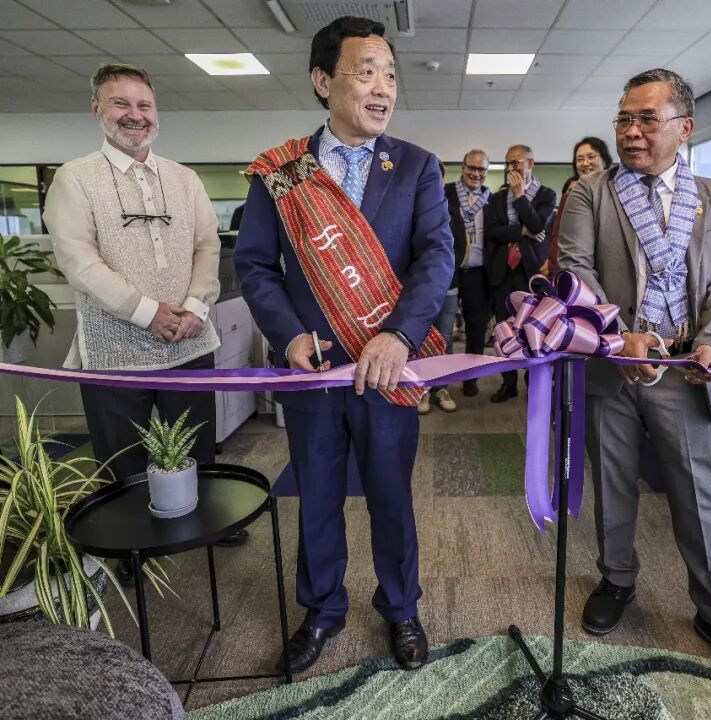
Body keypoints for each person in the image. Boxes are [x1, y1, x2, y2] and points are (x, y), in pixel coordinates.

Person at [234, 17, 454, 675]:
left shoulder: (416, 165)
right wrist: (289, 334)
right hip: (315, 370)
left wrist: (399, 334)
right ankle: (321, 609)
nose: (383, 88)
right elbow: (255, 266)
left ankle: (401, 606)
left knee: (392, 495)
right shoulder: (281, 173)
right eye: (366, 72)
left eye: (390, 75)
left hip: (388, 369)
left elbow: (436, 257)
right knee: (317, 496)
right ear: (323, 81)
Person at [558, 68, 711, 688]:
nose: (631, 131)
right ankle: (617, 579)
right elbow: (575, 269)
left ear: (684, 127)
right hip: (616, 365)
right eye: (624, 119)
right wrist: (617, 334)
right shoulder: (591, 193)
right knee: (613, 483)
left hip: (686, 366)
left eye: (647, 119)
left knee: (698, 494)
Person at [42, 63, 247, 575]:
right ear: (97, 109)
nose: (135, 115)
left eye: (144, 105)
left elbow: (207, 247)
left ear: (156, 112)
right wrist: (147, 312)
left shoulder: (184, 178)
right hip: (113, 350)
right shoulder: (74, 178)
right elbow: (78, 261)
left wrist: (196, 307)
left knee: (196, 444)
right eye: (121, 103)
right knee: (121, 457)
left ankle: (205, 519)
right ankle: (131, 544)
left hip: (189, 342)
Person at [483, 144, 556, 402]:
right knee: (504, 329)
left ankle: (532, 382)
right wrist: (521, 232)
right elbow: (492, 231)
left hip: (532, 272)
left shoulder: (547, 195)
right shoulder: (496, 198)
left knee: (533, 329)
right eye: (507, 164)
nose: (510, 169)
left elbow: (538, 225)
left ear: (530, 164)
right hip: (503, 271)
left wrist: (520, 195)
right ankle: (508, 382)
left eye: (515, 163)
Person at [441, 149, 492, 399]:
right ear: (463, 167)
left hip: (478, 273)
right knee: (443, 329)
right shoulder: (446, 193)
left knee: (476, 328)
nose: (476, 173)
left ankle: (471, 378)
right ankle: (441, 382)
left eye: (482, 169)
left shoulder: (491, 199)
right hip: (449, 270)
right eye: (472, 167)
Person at [419, 159, 458, 414]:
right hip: (418, 287)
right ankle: (421, 388)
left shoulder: (451, 207)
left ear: (442, 181)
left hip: (448, 286)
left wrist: (446, 273)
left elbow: (460, 245)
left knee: (444, 337)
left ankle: (442, 387)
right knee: (419, 337)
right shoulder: (411, 205)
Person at [545, 137, 614, 276]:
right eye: (580, 159)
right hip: (579, 270)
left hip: (612, 267)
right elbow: (558, 238)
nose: (585, 163)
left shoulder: (616, 194)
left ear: (605, 161)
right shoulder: (569, 197)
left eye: (591, 157)